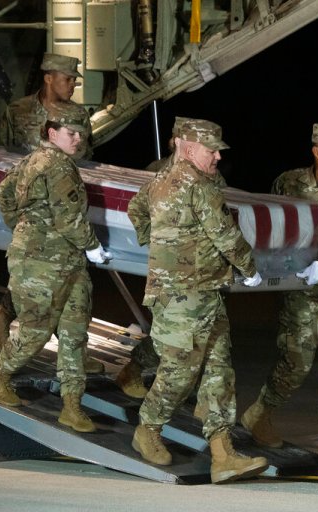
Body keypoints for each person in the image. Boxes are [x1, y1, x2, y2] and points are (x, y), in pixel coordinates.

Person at [127, 117, 268, 484]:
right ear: (188, 147)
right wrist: (249, 270)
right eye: (212, 149)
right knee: (180, 373)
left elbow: (136, 210)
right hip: (183, 298)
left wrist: (160, 246)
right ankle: (147, 429)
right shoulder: (199, 186)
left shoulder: (157, 182)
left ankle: (223, 455)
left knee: (219, 372)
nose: (218, 156)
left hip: (202, 294)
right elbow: (225, 234)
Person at [239, 123, 318, 476]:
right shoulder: (288, 182)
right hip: (298, 288)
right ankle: (259, 414)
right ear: (316, 150)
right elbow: (274, 225)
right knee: (296, 362)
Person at [0, 103, 112, 432]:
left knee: (74, 331)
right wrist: (93, 247)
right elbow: (69, 219)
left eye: (82, 133)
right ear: (52, 132)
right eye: (71, 133)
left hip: (64, 261)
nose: (78, 139)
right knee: (37, 328)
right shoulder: (55, 164)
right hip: (44, 264)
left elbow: (4, 194)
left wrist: (23, 227)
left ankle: (72, 405)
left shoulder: (32, 160)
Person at [0, 53, 103, 374]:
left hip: (62, 206)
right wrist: (16, 218)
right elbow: (2, 156)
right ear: (48, 77)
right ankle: (60, 349)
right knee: (50, 282)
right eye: (68, 78)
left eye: (75, 79)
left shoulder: (77, 115)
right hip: (33, 209)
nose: (73, 84)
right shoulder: (18, 111)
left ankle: (66, 347)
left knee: (66, 282)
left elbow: (84, 159)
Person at [115, 117, 228, 398]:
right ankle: (139, 373)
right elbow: (139, 208)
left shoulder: (210, 173)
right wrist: (152, 241)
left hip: (203, 272)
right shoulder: (158, 174)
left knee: (204, 340)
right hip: (169, 272)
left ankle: (197, 399)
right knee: (173, 336)